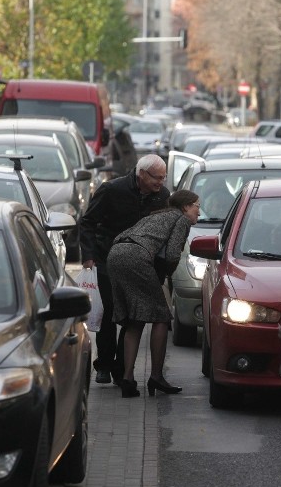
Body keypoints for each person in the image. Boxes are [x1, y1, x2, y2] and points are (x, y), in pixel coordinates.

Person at [79, 154, 170, 385]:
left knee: (131, 315)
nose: (160, 182)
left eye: (164, 178)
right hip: (107, 259)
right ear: (141, 174)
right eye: (156, 178)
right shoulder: (111, 190)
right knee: (110, 311)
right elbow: (87, 222)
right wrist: (89, 256)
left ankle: (122, 369)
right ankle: (104, 365)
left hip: (140, 265)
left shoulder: (162, 197)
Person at [107, 189, 200, 397]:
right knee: (161, 317)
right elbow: (173, 254)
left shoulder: (157, 214)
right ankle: (156, 376)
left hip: (116, 253)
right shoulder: (181, 219)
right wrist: (167, 275)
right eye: (197, 205)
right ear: (185, 207)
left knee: (134, 320)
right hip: (137, 257)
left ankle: (128, 379)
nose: (199, 212)